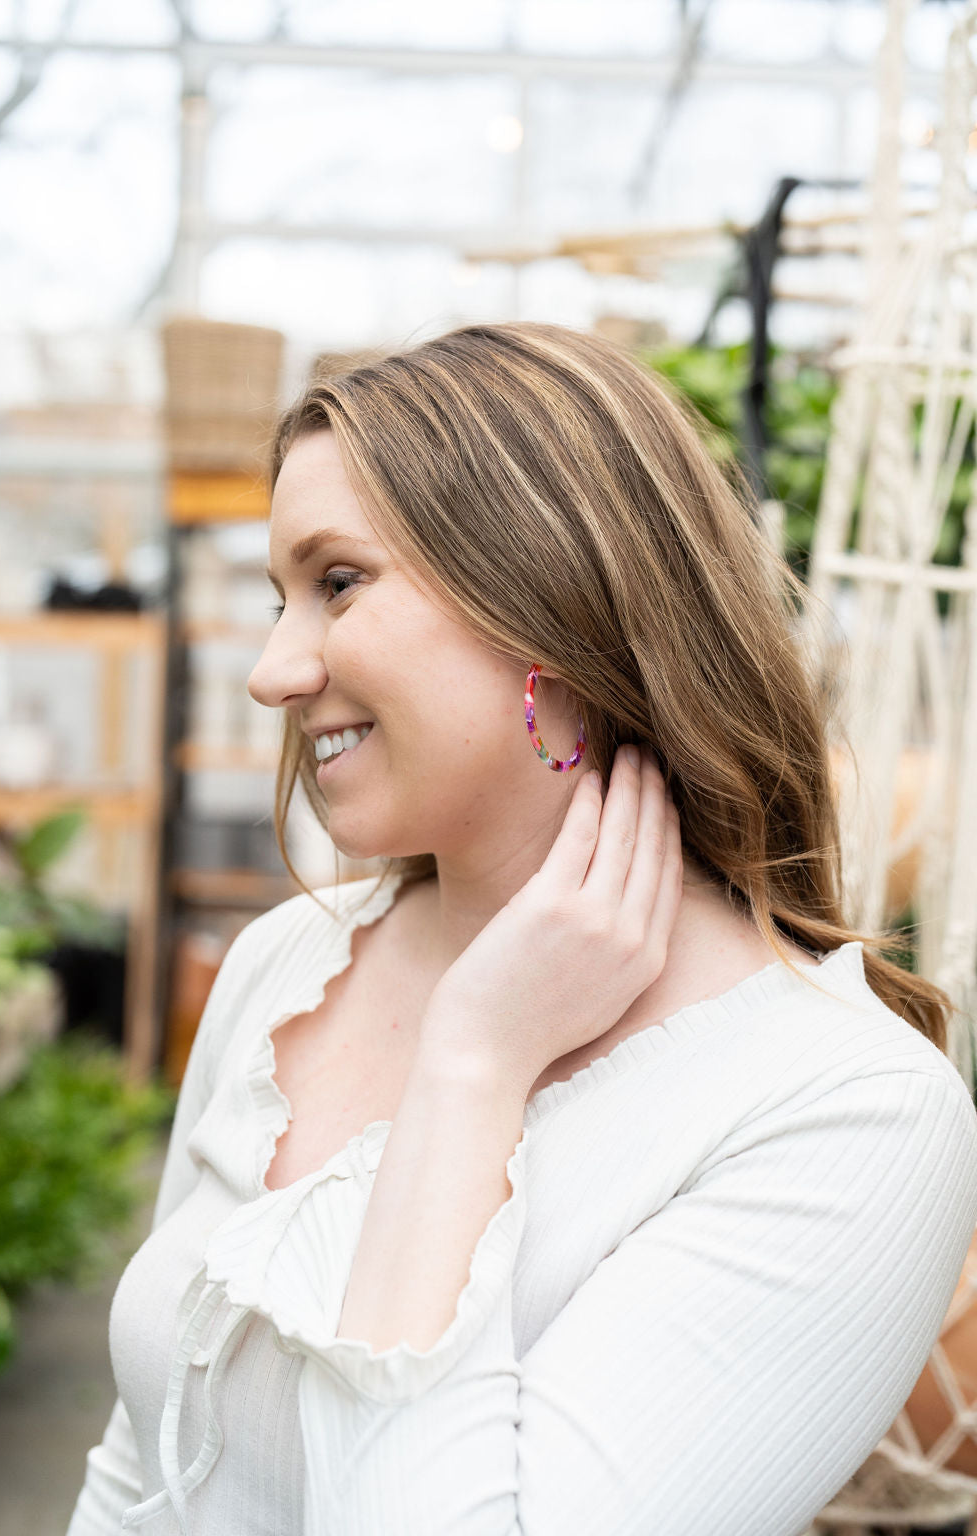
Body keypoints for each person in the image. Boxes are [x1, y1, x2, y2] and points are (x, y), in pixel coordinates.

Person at [67, 321, 977, 1536]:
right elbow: (139, 1469)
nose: (272, 672)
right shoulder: (286, 966)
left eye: (337, 584)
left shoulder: (842, 1110)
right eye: (282, 599)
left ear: (549, 602)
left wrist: (474, 1065)